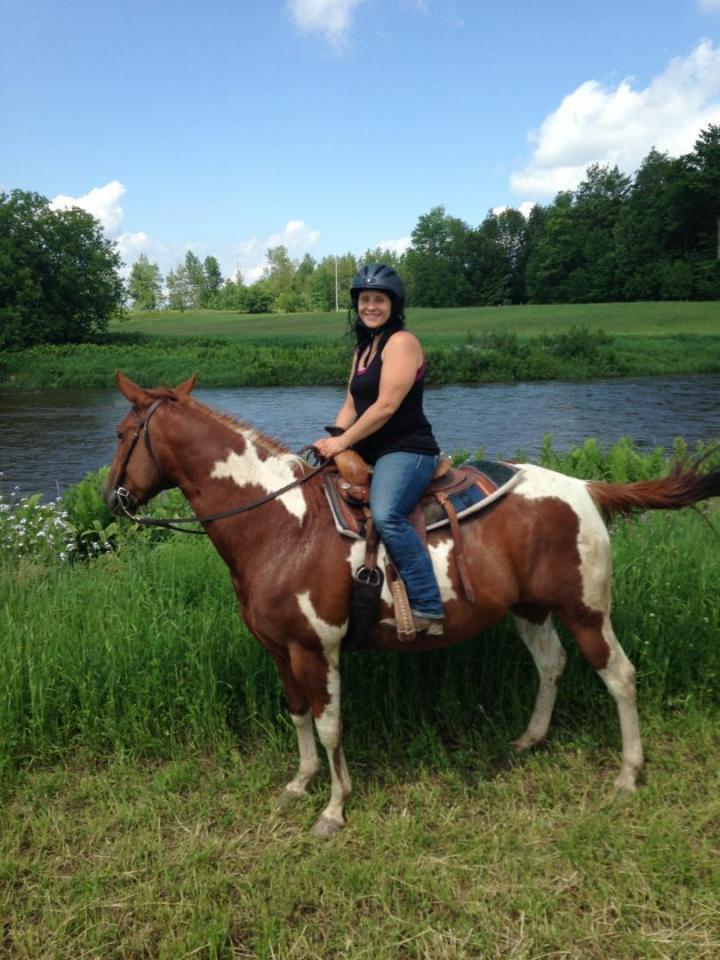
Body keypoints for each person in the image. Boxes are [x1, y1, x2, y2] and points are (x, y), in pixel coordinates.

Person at [312, 263, 444, 635]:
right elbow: (352, 404)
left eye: (379, 300)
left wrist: (344, 440)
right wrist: (334, 441)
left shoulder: (402, 342)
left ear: (393, 304)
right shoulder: (364, 348)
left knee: (387, 515)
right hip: (368, 449)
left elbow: (386, 406)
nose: (371, 306)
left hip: (407, 449)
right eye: (364, 299)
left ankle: (428, 607)